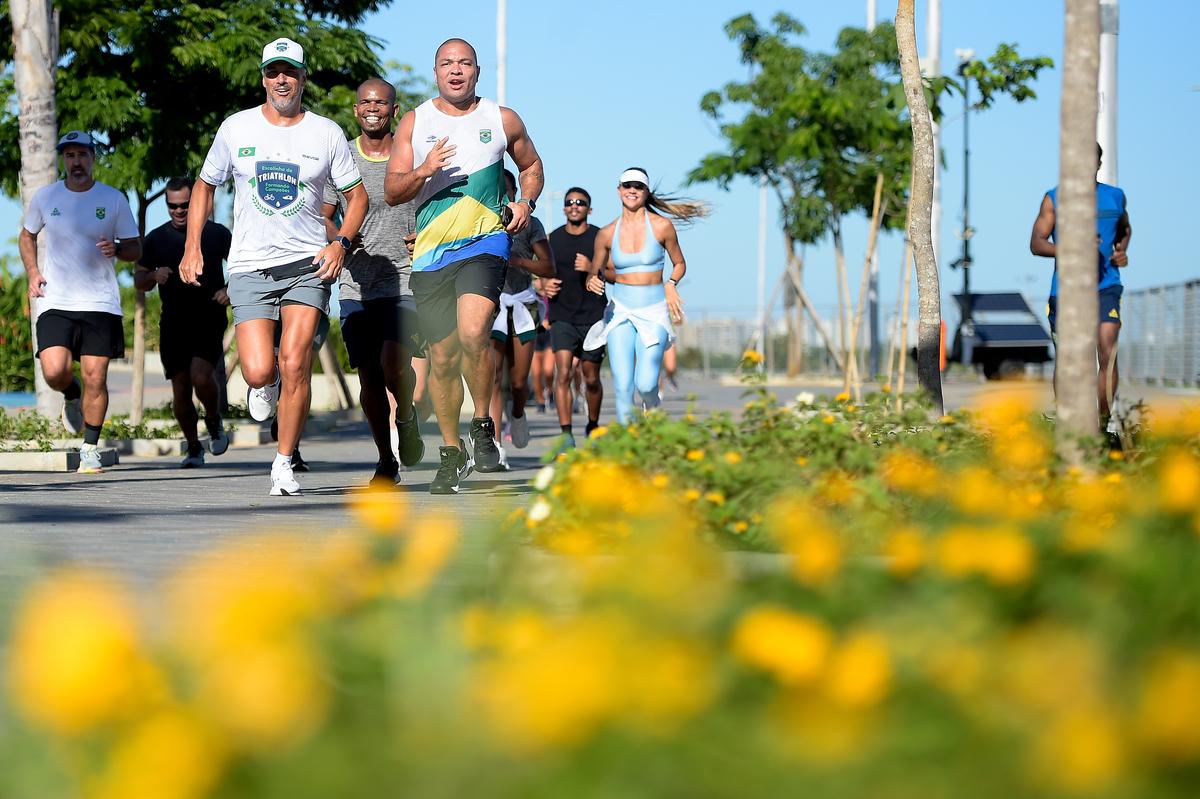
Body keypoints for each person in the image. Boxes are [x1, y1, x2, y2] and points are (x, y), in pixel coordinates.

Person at [181, 37, 367, 496]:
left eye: (289, 72)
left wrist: (340, 242)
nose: (280, 79)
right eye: (272, 72)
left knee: (296, 361)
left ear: (303, 78)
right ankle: (264, 386)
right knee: (261, 369)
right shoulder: (236, 128)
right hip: (250, 267)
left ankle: (283, 462)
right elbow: (205, 186)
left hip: (308, 265)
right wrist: (193, 246)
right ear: (263, 78)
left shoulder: (325, 133)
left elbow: (357, 197)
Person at [385, 37, 544, 494]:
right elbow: (394, 190)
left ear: (477, 71)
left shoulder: (500, 118)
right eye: (446, 64)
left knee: (475, 333)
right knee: (441, 356)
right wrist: (424, 169)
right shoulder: (416, 121)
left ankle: (482, 425)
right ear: (435, 72)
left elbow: (532, 165)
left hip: (485, 242)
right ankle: (452, 452)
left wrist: (525, 202)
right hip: (433, 251)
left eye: (465, 63)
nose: (456, 71)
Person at [322, 77, 425, 487]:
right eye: (365, 102)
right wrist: (339, 237)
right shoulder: (342, 156)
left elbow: (435, 201)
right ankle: (386, 460)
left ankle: (407, 415)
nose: (372, 108)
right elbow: (324, 213)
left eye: (380, 103)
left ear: (394, 111)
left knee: (392, 363)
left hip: (404, 278)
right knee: (368, 377)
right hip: (356, 283)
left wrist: (426, 232)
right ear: (355, 109)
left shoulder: (412, 154)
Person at [19, 131, 141, 474]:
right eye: (69, 156)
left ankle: (89, 448)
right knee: (55, 370)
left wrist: (117, 249)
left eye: (82, 155)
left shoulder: (113, 199)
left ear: (92, 158)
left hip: (100, 303)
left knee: (96, 377)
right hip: (56, 300)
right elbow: (27, 235)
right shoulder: (46, 197)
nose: (76, 162)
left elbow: (135, 248)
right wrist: (32, 271)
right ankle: (71, 395)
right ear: (63, 160)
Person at [584, 167, 707, 424]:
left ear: (646, 192)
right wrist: (593, 280)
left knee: (647, 384)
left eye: (638, 186)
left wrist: (671, 283)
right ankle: (627, 450)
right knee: (623, 386)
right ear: (618, 191)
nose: (632, 190)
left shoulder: (662, 226)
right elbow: (595, 272)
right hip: (620, 312)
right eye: (627, 185)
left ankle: (654, 416)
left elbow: (680, 263)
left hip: (654, 311)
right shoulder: (606, 233)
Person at [1030, 143, 1131, 431]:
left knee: (1107, 350)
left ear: (1099, 163)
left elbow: (1124, 228)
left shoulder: (1115, 197)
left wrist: (1121, 250)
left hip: (1106, 285)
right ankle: (1066, 424)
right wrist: (1072, 248)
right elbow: (1036, 244)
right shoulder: (1054, 198)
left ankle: (1101, 424)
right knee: (1068, 358)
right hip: (1067, 289)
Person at [134, 177, 232, 468]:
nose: (178, 211)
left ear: (197, 202)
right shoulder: (156, 238)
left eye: (185, 205)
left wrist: (230, 288)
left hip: (208, 317)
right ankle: (192, 447)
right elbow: (139, 279)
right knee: (180, 387)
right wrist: (153, 276)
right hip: (173, 322)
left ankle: (213, 421)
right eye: (172, 206)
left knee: (201, 376)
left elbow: (243, 266)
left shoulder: (216, 234)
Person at [488, 168, 554, 456]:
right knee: (492, 377)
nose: (503, 195)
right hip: (490, 304)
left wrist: (518, 261)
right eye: (497, 189)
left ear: (515, 193)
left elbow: (548, 266)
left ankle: (517, 412)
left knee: (517, 381)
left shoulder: (531, 224)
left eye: (507, 189)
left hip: (523, 303)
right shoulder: (482, 222)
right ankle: (495, 443)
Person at [546, 186, 606, 449]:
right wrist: (542, 285)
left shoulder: (600, 237)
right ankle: (565, 433)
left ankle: (593, 426)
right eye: (570, 202)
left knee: (591, 377)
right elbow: (541, 272)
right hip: (562, 315)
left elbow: (614, 271)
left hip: (594, 316)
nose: (574, 205)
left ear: (589, 209)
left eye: (580, 202)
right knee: (563, 374)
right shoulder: (553, 239)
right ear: (564, 208)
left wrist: (592, 268)